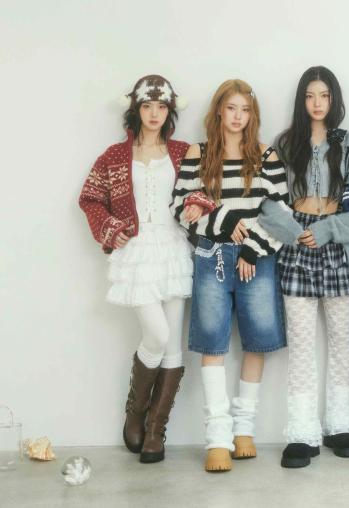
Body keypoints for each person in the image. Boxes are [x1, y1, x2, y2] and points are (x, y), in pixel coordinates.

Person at [258, 65, 349, 468]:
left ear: (334, 99)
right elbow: (266, 199)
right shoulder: (284, 143)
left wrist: (328, 230)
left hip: (340, 245)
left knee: (343, 341)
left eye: (324, 95)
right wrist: (295, 232)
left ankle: (341, 425)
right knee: (302, 343)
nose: (317, 103)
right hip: (297, 245)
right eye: (310, 96)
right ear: (301, 100)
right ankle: (302, 431)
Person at [170, 79, 287, 472]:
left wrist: (253, 248)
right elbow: (181, 207)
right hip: (212, 256)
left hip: (258, 258)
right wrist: (223, 220)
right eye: (231, 108)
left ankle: (244, 430)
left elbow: (280, 213)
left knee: (257, 340)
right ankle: (217, 437)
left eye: (245, 110)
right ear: (219, 109)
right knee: (213, 343)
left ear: (252, 114)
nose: (238, 116)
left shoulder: (266, 156)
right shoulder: (198, 153)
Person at [79, 75, 191, 463]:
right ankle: (135, 411)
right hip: (138, 251)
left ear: (169, 110)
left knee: (173, 344)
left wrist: (198, 207)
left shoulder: (184, 152)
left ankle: (156, 430)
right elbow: (90, 198)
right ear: (136, 109)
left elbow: (201, 192)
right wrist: (111, 227)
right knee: (156, 335)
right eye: (147, 106)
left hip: (174, 249)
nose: (154, 113)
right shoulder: (114, 156)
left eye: (161, 106)